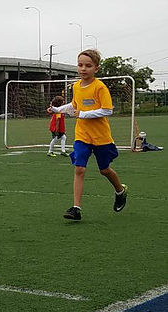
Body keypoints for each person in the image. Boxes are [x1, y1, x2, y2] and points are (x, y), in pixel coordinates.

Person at [47, 49, 128, 221]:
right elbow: (74, 105)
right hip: (82, 136)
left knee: (105, 170)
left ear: (96, 68)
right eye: (80, 65)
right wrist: (57, 110)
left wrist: (83, 114)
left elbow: (107, 110)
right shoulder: (76, 86)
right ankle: (76, 208)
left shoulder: (100, 87)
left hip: (101, 137)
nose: (83, 69)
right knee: (79, 168)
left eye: (88, 66)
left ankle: (120, 190)